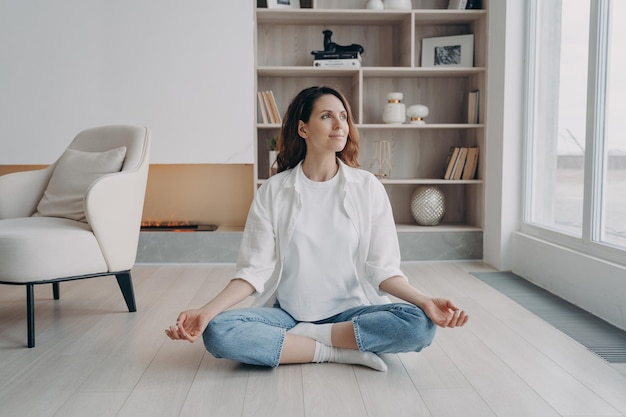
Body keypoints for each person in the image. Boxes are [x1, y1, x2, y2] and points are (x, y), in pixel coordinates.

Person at [165, 86, 468, 371]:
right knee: (218, 330)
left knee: (419, 324)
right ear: (303, 129)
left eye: (343, 116)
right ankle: (335, 351)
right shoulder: (274, 191)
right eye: (327, 116)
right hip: (288, 315)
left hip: (352, 313)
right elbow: (253, 272)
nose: (340, 124)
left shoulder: (368, 188)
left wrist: (424, 300)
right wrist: (206, 311)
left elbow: (383, 269)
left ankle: (309, 340)